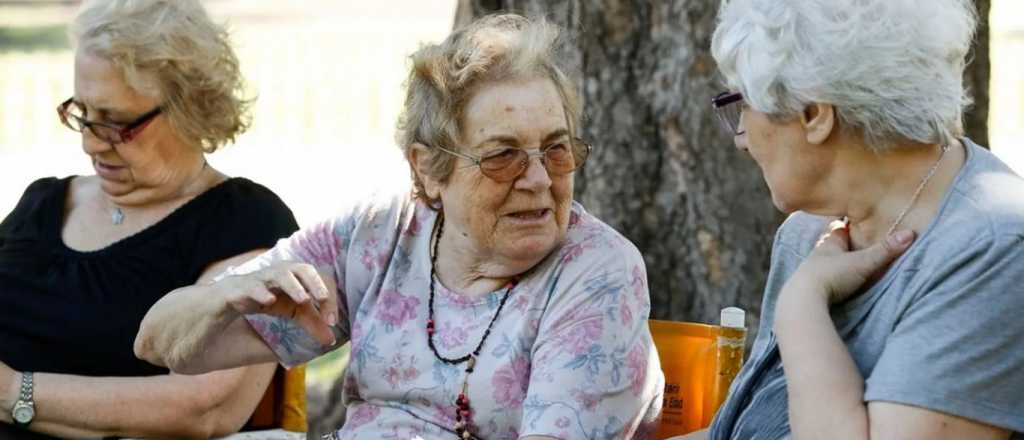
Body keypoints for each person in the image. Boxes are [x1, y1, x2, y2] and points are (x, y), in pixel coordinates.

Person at [135, 14, 664, 440]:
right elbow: (159, 345)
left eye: (556, 148)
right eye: (503, 155)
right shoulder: (379, 232)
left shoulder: (597, 272)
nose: (539, 178)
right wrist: (227, 296)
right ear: (428, 169)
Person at [677, 0, 1024, 439]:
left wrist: (801, 307)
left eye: (742, 104)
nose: (741, 138)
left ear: (814, 115)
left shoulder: (991, 252)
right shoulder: (808, 234)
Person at [0, 1, 298, 438]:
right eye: (82, 114)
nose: (90, 144)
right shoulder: (44, 200)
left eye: (116, 122)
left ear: (189, 108)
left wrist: (14, 393)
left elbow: (203, 407)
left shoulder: (243, 222)